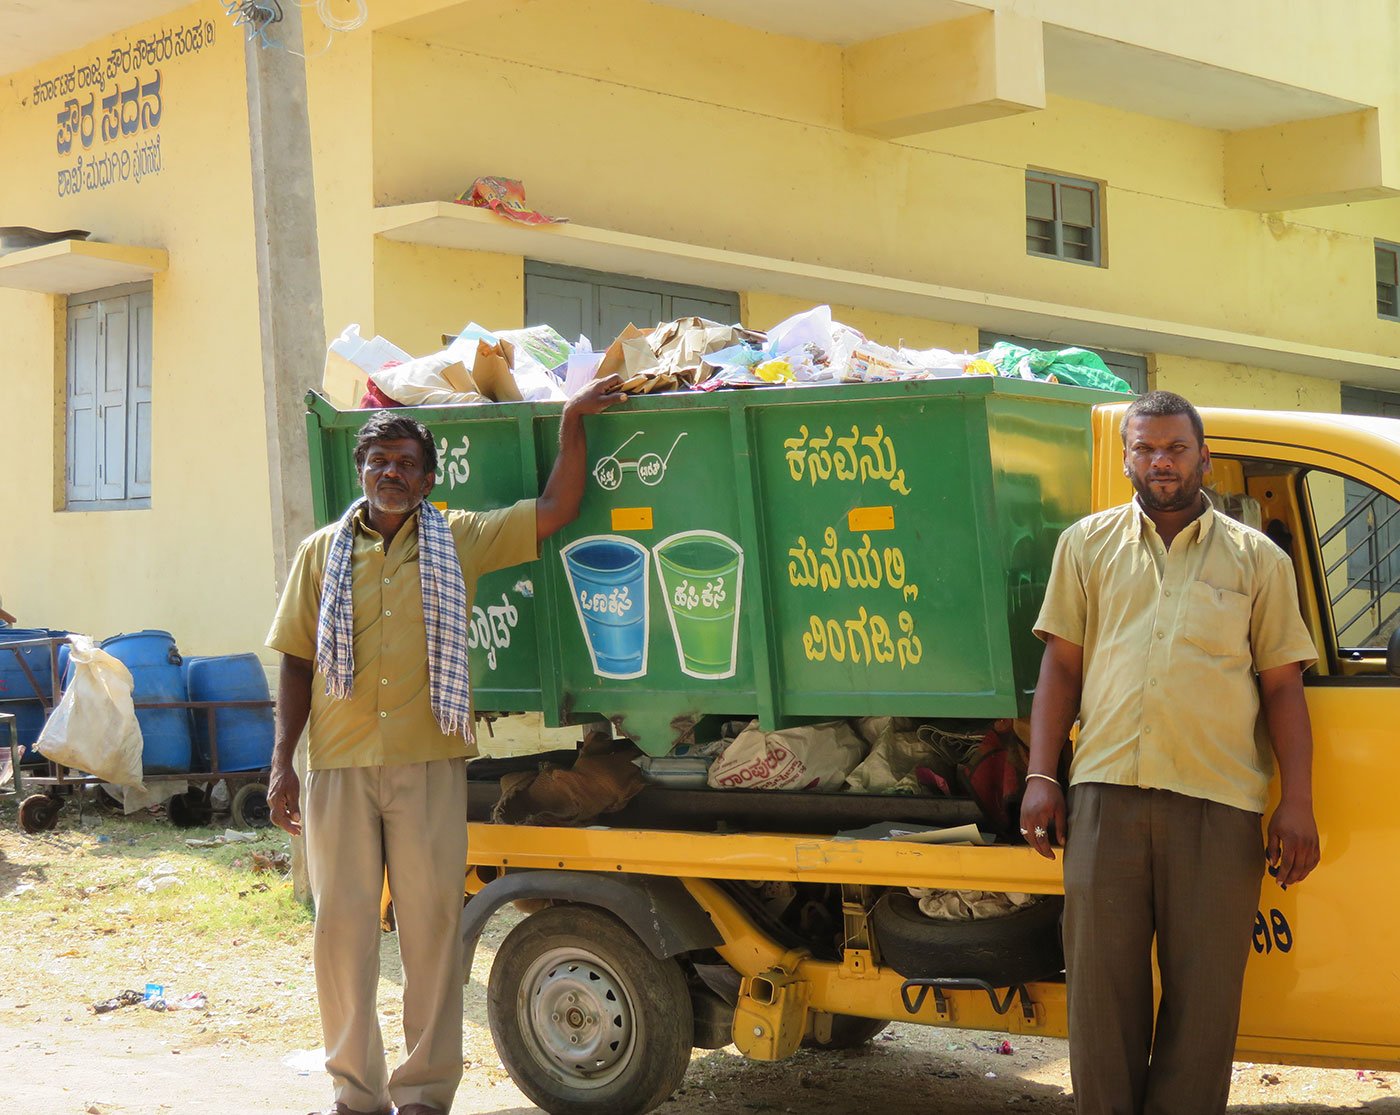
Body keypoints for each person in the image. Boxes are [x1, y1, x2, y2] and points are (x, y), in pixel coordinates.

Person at [266, 375, 624, 1115]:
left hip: (430, 764)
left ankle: (426, 1093)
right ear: (362, 472)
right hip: (337, 766)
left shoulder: (457, 536)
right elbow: (296, 660)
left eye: (405, 462)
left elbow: (556, 509)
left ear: (429, 479)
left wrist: (571, 420)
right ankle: (355, 1094)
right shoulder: (319, 554)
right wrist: (281, 765)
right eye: (378, 462)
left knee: (430, 929)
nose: (390, 473)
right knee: (340, 935)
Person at [1020, 390, 1321, 1115]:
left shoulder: (1259, 560)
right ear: (1125, 456)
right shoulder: (1085, 546)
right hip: (1103, 800)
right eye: (1146, 447)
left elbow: (1283, 688)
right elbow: (1061, 668)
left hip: (1217, 809)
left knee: (1204, 1002)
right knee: (1100, 998)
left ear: (1203, 457)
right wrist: (1040, 775)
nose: (1161, 461)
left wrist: (1298, 801)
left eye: (1176, 448)